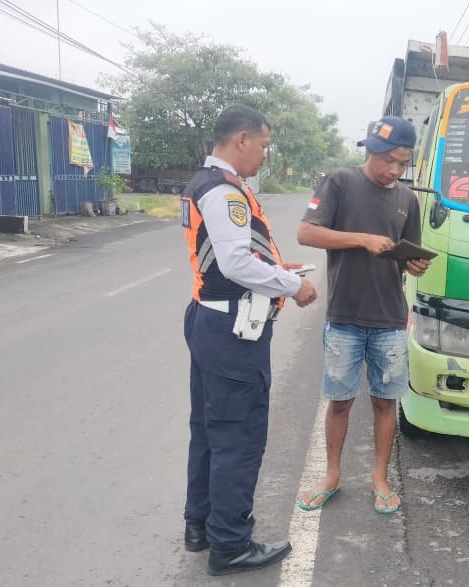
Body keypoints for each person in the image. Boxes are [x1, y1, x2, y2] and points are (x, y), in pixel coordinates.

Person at [181, 104, 318, 576]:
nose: (264, 155)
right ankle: (231, 544)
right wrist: (292, 285)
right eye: (262, 145)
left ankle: (200, 525)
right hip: (232, 332)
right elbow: (237, 264)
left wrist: (280, 269)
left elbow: (229, 259)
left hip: (208, 319)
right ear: (241, 139)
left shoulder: (203, 183)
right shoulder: (224, 192)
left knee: (209, 430)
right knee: (237, 438)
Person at [295, 116, 431, 515]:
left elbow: (409, 256)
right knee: (339, 402)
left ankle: (380, 478)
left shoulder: (408, 200)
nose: (394, 170)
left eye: (403, 163)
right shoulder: (340, 182)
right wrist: (361, 239)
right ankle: (332, 475)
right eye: (387, 160)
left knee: (386, 403)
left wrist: (415, 266)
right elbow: (306, 233)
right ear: (369, 151)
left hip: (389, 320)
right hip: (345, 318)